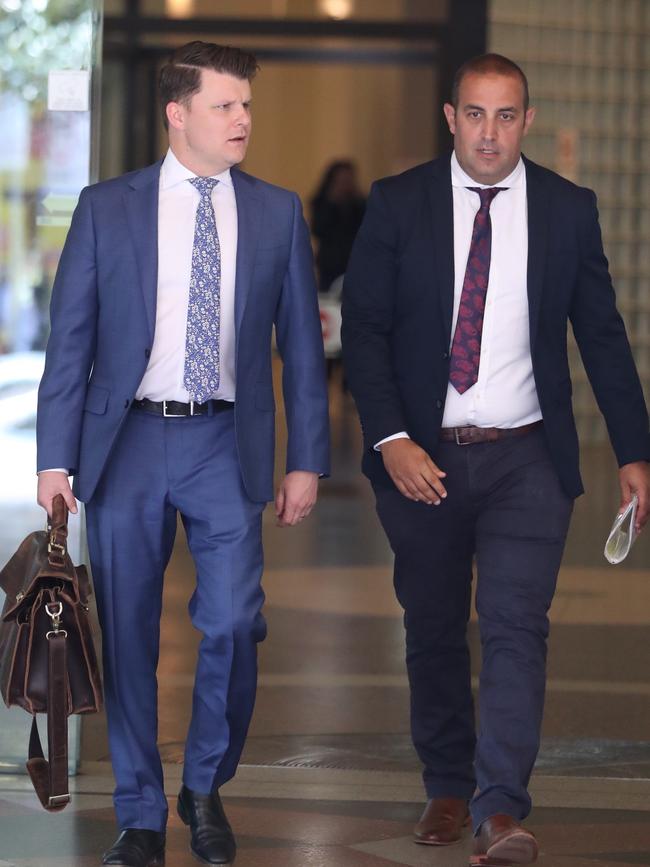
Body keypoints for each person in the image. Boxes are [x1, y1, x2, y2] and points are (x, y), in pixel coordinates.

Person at [341, 53, 650, 866]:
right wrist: (391, 438)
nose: (489, 132)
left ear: (528, 120)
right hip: (424, 458)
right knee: (436, 624)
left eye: (506, 115)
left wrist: (634, 451)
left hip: (527, 460)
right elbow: (364, 332)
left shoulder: (566, 209)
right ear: (450, 117)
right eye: (475, 114)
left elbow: (603, 335)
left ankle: (502, 807)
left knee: (517, 628)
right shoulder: (399, 204)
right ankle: (447, 779)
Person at [36, 41, 330, 867]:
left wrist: (306, 456)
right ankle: (137, 809)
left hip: (222, 440)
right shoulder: (108, 206)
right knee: (126, 630)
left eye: (246, 106)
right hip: (125, 439)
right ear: (178, 112)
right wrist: (54, 458)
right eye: (225, 105)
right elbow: (72, 342)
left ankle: (204, 784)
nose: (242, 120)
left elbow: (302, 347)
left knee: (234, 619)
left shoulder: (276, 212)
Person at [311, 160, 365, 293]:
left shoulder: (360, 204)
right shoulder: (322, 203)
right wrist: (332, 203)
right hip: (330, 265)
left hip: (355, 263)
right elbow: (318, 229)